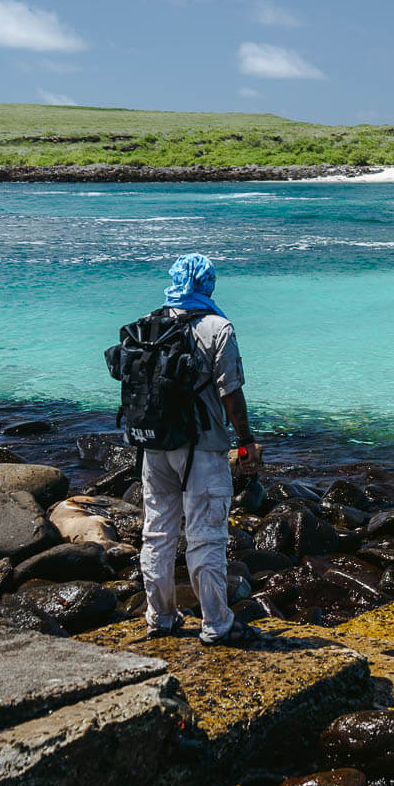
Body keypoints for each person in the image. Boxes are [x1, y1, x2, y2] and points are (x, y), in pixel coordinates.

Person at [138, 254, 265, 646]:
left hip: (154, 445)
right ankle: (217, 623)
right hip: (203, 449)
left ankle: (160, 617)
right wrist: (246, 442)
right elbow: (231, 393)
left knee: (157, 532)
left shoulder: (149, 324)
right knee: (206, 537)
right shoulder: (217, 327)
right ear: (206, 284)